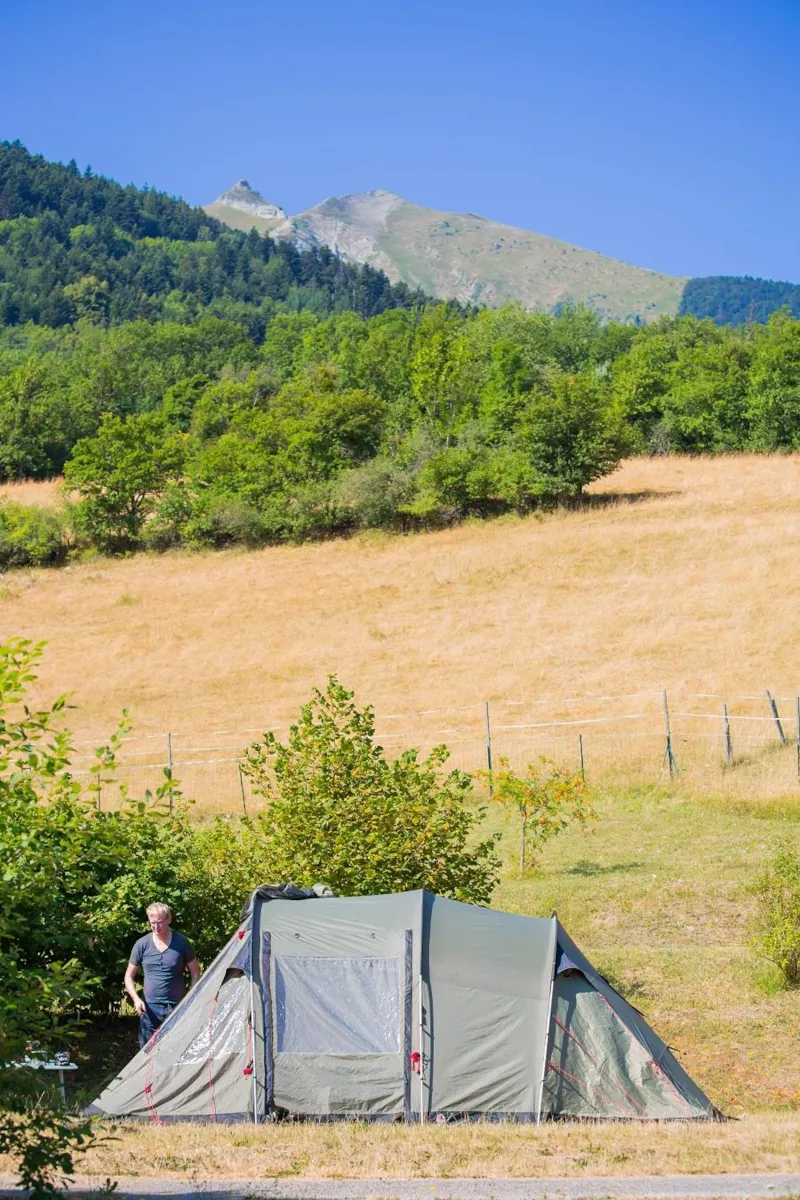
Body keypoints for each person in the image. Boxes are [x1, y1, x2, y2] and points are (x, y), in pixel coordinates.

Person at [124, 902, 201, 1048]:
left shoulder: (182, 943)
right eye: (152, 923)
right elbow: (128, 976)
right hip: (149, 1009)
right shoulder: (142, 944)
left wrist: (191, 998)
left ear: (169, 919)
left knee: (175, 1050)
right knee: (147, 1053)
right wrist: (136, 999)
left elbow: (196, 973)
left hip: (177, 1008)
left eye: (159, 922)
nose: (156, 927)